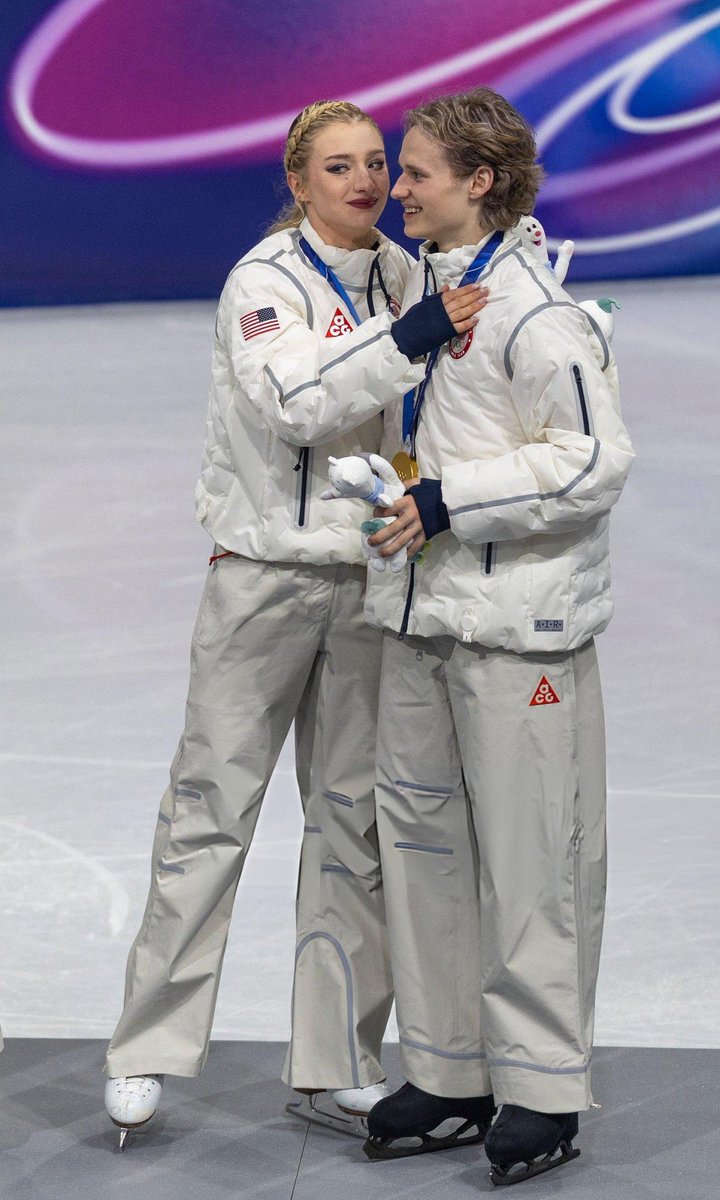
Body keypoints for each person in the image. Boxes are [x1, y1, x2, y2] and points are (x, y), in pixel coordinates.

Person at [102, 99, 487, 1150]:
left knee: (353, 822)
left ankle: (342, 1061)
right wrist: (412, 335)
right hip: (263, 579)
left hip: (369, 580)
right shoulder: (263, 281)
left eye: (376, 164)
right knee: (210, 811)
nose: (365, 182)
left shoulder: (410, 276)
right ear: (299, 179)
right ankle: (146, 1047)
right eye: (338, 166)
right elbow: (299, 405)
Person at [355, 88, 635, 1186]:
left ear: (478, 182)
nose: (397, 187)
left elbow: (590, 463)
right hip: (423, 619)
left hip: (520, 634)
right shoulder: (429, 292)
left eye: (416, 170)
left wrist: (449, 498)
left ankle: (542, 1089)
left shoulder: (536, 315)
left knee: (532, 869)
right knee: (422, 855)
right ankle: (449, 1067)